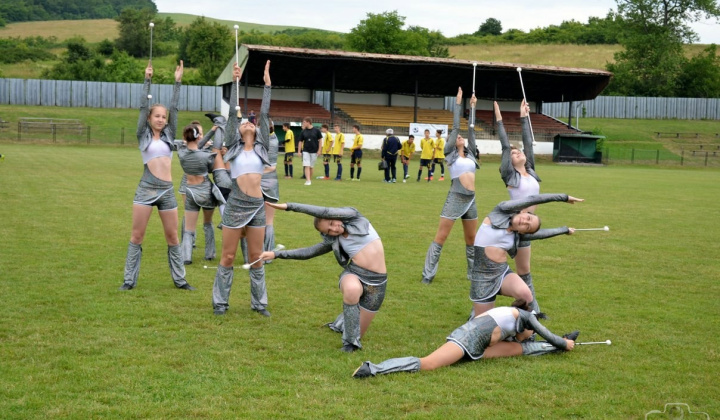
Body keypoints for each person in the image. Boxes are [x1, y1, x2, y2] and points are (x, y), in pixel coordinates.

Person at [259, 202, 388, 353]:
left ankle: (344, 323)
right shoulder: (335, 240)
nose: (334, 229)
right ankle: (350, 344)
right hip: (354, 274)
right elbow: (309, 252)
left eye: (333, 223)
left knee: (358, 330)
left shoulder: (354, 217)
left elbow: (325, 211)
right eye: (329, 230)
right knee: (352, 291)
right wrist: (276, 254)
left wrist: (289, 206)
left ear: (335, 216)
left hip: (378, 283)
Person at [352, 299, 578, 378]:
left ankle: (554, 348)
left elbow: (520, 340)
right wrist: (563, 342)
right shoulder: (527, 317)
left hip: (477, 342)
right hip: (467, 340)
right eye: (532, 333)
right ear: (531, 323)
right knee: (429, 364)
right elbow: (544, 332)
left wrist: (561, 341)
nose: (530, 336)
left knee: (521, 349)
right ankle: (373, 368)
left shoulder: (512, 317)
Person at [119, 60, 196, 291]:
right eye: (157, 116)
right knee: (137, 237)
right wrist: (147, 79)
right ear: (150, 119)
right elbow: (143, 106)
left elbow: (175, 107)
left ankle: (180, 281)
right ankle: (129, 281)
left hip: (166, 191)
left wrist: (178, 82)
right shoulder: (142, 135)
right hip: (146, 188)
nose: (161, 119)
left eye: (164, 117)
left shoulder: (169, 134)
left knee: (173, 238)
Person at [212, 60, 273, 317]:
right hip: (236, 204)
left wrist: (267, 86)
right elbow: (229, 118)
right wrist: (236, 82)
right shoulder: (233, 147)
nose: (248, 122)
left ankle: (259, 304)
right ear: (237, 131)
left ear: (257, 130)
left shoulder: (262, 147)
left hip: (257, 205)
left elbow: (264, 115)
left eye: (252, 122)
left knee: (257, 257)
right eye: (244, 122)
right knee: (227, 257)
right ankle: (220, 303)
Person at [470, 193, 582, 318]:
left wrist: (565, 230)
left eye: (527, 227)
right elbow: (532, 199)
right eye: (528, 218)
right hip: (482, 279)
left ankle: (524, 328)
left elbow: (542, 234)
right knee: (482, 324)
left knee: (526, 295)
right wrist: (564, 197)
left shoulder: (517, 234)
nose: (524, 222)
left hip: (502, 273)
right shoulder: (501, 210)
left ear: (523, 232)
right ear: (524, 212)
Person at [422, 88, 480, 285]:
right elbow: (456, 128)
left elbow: (470, 129)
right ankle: (427, 275)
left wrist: (472, 107)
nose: (460, 137)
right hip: (456, 196)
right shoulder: (449, 153)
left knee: (472, 240)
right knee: (441, 237)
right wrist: (458, 104)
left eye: (461, 137)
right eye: (456, 137)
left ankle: (473, 275)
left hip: (471, 199)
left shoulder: (470, 153)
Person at [496, 100, 544, 312]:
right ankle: (478, 307)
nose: (518, 153)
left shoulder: (530, 170)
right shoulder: (510, 174)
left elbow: (527, 141)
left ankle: (531, 308)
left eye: (519, 152)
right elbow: (506, 146)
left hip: (526, 227)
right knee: (498, 270)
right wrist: (499, 120)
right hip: (513, 227)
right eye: (514, 155)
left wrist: (524, 117)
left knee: (524, 270)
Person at [177, 122, 226, 265]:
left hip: (190, 191)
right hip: (205, 191)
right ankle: (210, 253)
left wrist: (211, 130)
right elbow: (213, 168)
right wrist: (216, 133)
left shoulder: (181, 153)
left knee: (189, 228)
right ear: (198, 137)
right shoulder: (206, 156)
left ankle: (186, 256)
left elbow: (195, 146)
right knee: (207, 223)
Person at [261, 120, 280, 256]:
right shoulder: (271, 139)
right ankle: (265, 251)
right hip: (269, 183)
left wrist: (254, 174)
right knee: (265, 221)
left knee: (267, 221)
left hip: (264, 183)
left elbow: (272, 167)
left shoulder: (270, 142)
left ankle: (266, 252)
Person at [298, 117, 322, 186]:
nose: (303, 124)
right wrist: (299, 151)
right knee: (306, 165)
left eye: (304, 122)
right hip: (306, 150)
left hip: (314, 151)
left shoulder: (316, 131)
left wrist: (319, 150)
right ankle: (308, 180)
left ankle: (309, 179)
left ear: (308, 122)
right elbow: (300, 141)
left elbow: (320, 140)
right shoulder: (303, 131)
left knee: (311, 166)